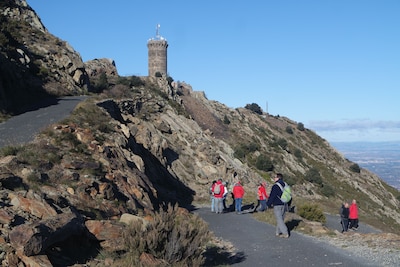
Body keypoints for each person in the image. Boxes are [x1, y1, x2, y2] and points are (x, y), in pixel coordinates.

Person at [266, 173, 289, 238]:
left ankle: (285, 232)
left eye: (275, 177)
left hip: (277, 204)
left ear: (278, 178)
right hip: (284, 203)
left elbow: (272, 196)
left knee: (279, 219)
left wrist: (268, 204)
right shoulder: (285, 184)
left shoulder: (275, 186)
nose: (274, 178)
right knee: (281, 218)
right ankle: (278, 232)